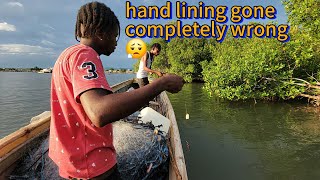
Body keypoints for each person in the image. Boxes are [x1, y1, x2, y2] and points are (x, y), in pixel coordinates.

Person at [49, 1, 184, 179]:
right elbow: (100, 112)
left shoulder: (66, 55)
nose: (116, 42)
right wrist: (161, 84)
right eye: (115, 36)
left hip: (71, 165)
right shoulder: (85, 54)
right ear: (100, 33)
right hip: (93, 167)